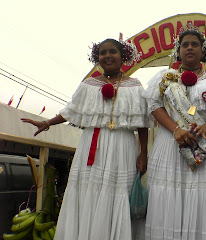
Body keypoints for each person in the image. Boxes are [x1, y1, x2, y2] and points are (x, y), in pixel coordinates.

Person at [22, 38, 149, 240]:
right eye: (102, 52)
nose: (107, 56)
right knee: (89, 189)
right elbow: (72, 111)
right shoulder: (89, 85)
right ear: (97, 58)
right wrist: (48, 123)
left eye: (112, 51)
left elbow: (143, 122)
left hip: (123, 145)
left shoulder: (135, 87)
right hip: (92, 144)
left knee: (118, 191)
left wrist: (143, 152)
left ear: (122, 55)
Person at [144, 23, 206, 240]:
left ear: (203, 50)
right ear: (179, 50)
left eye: (195, 44)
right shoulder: (164, 78)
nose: (190, 48)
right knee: (171, 198)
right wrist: (175, 129)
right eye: (185, 45)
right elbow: (154, 106)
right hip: (171, 145)